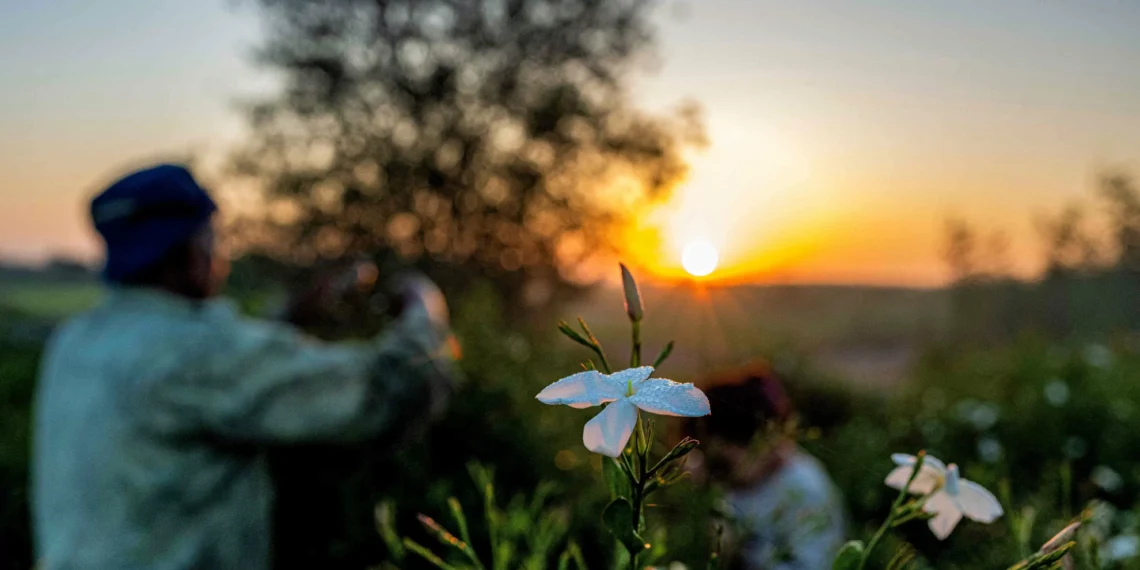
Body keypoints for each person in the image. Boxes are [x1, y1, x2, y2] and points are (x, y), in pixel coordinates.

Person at [31, 164, 456, 570]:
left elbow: (192, 375)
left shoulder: (75, 340)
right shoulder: (203, 352)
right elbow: (387, 390)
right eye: (213, 240)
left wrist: (291, 317)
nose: (221, 257)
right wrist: (426, 311)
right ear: (190, 253)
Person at [684, 363, 846, 570]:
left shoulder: (806, 491)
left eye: (723, 462)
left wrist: (744, 547)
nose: (721, 474)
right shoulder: (727, 477)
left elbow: (815, 565)